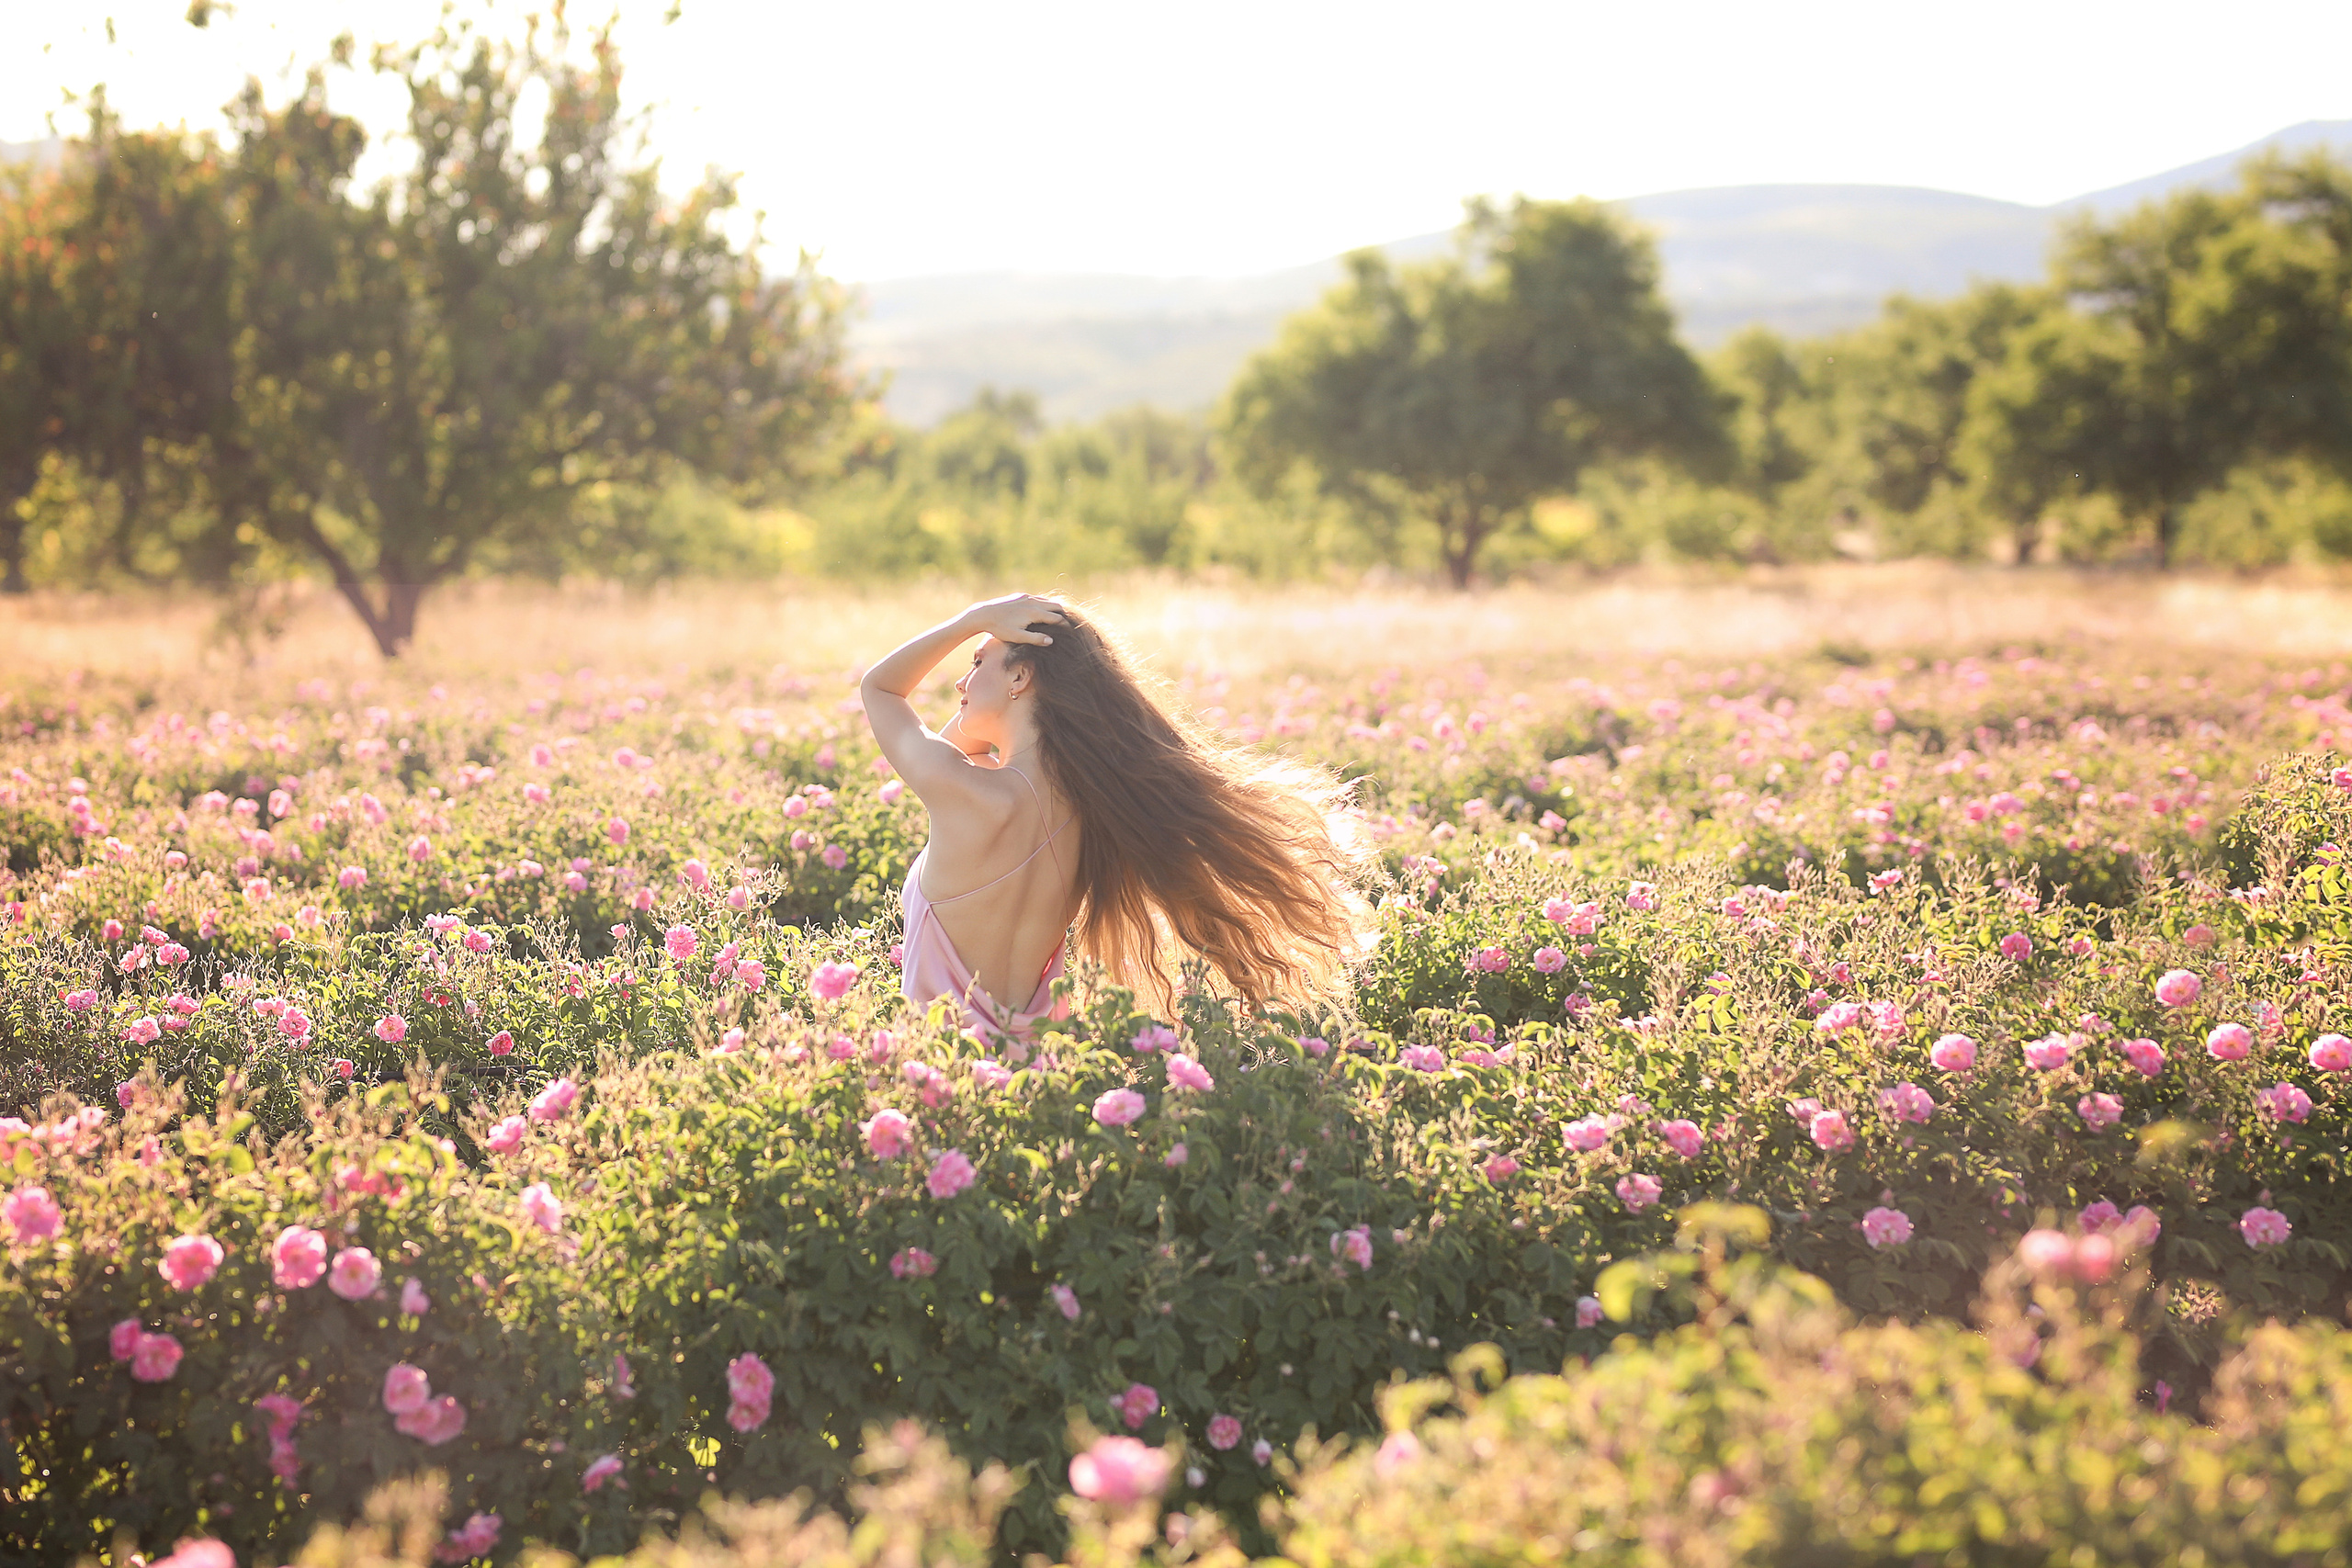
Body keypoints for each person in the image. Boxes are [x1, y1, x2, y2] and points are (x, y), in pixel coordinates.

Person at [859, 593, 1371, 1040]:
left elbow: (879, 689)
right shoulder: (1095, 814)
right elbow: (966, 741)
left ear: (1021, 674)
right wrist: (1016, 678)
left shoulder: (964, 791)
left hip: (944, 1080)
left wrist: (972, 619)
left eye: (976, 662)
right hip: (1042, 1083)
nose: (961, 683)